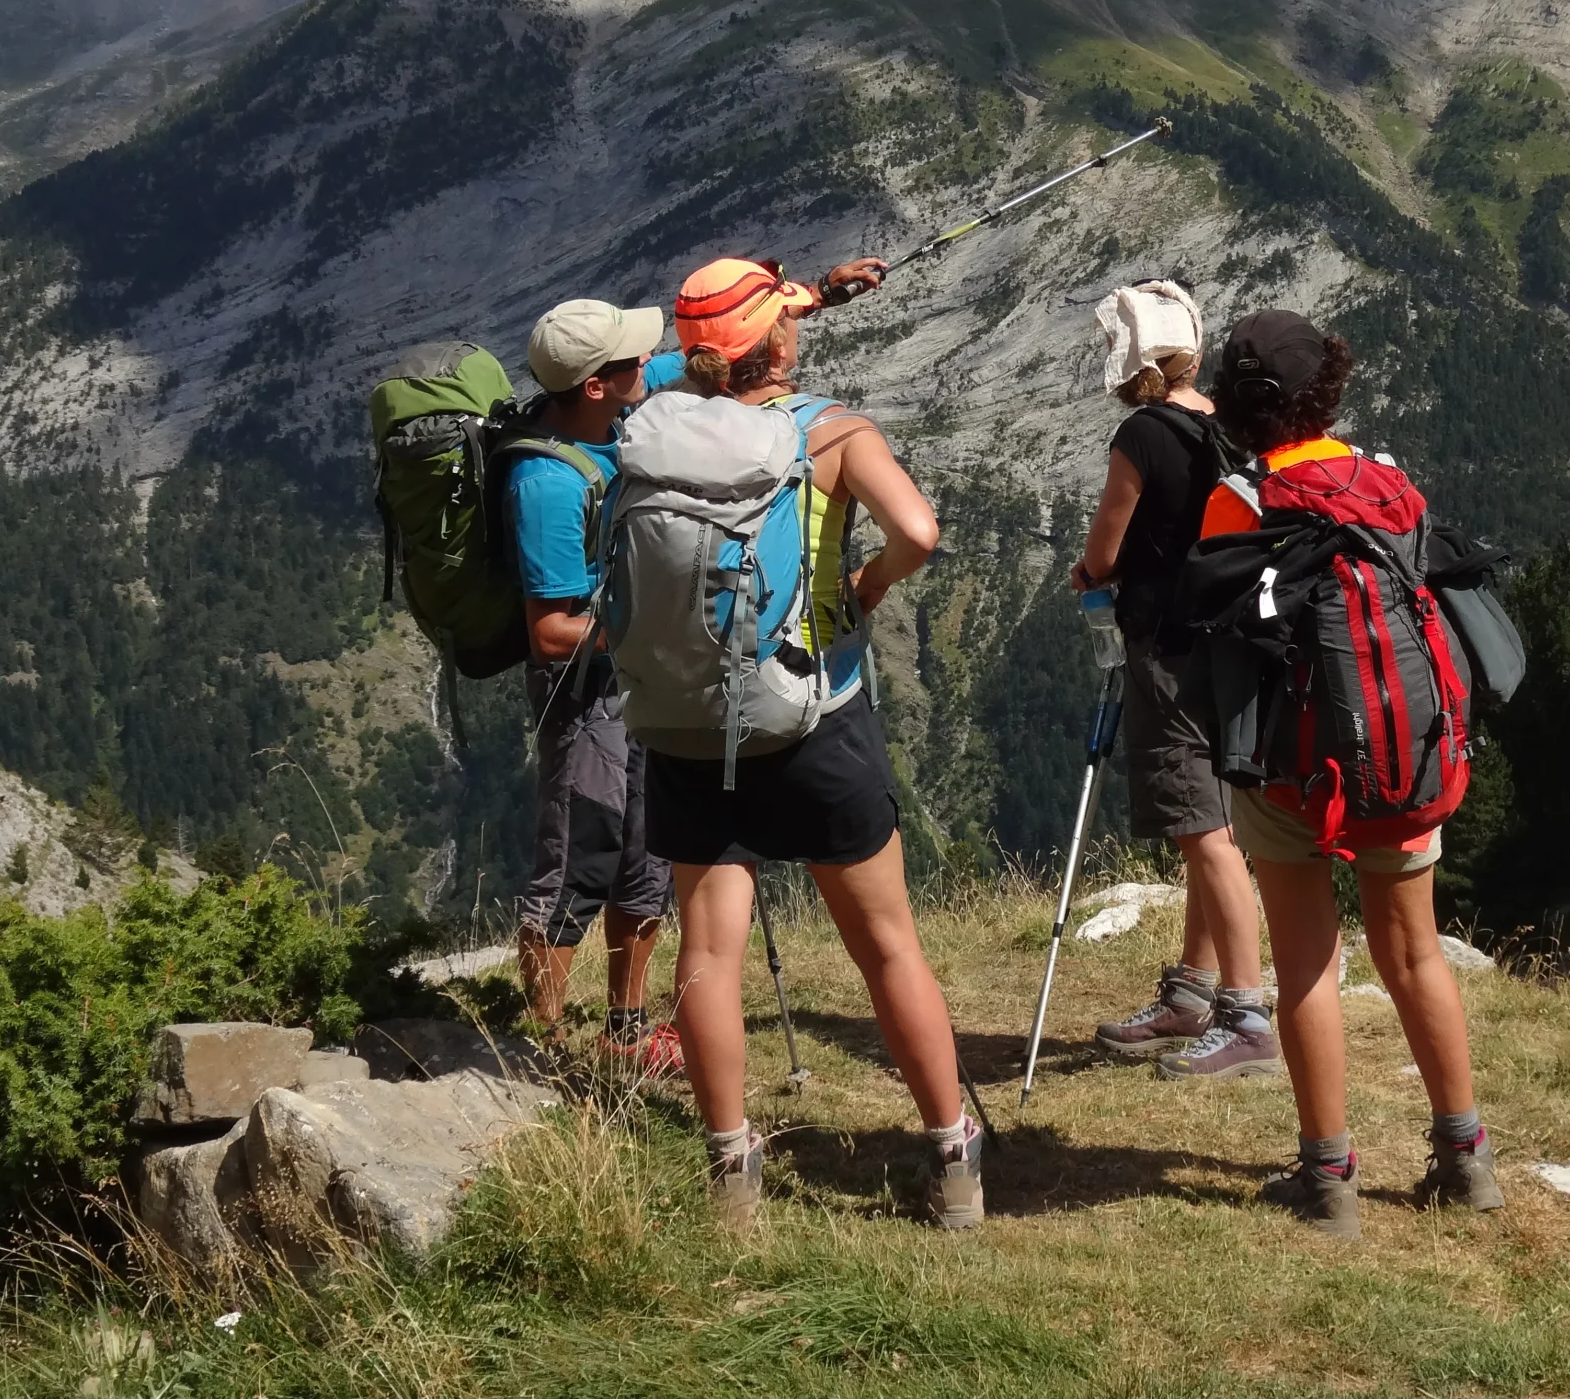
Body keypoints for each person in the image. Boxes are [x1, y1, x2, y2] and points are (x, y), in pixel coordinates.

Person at [643, 255, 984, 1231]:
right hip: (815, 713)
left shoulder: (656, 423)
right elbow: (917, 531)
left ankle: (729, 1172)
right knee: (886, 946)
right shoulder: (830, 434)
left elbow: (697, 360)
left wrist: (793, 303)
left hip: (688, 724)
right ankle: (952, 1157)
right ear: (782, 342)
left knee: (707, 951)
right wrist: (870, 585)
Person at [1197, 308, 1502, 1236]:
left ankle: (1329, 1180)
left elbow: (1214, 629)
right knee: (1415, 953)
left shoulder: (1238, 502)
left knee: (1305, 967)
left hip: (1295, 770)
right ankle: (1466, 1160)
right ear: (1327, 389)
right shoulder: (1390, 482)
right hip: (1406, 756)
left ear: (1241, 410)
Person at [1068, 282, 1272, 1080]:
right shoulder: (1231, 427)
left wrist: (1085, 574)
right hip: (1236, 644)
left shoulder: (1144, 434)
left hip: (1167, 648)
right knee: (1213, 820)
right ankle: (1192, 991)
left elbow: (1107, 551)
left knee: (1202, 829)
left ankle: (1247, 1013)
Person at [509, 299, 688, 1080]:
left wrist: (811, 294)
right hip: (587, 698)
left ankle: (627, 1032)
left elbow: (702, 358)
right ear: (595, 386)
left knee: (648, 857)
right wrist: (647, 629)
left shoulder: (610, 417)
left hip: (641, 683)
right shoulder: (546, 482)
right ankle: (541, 1052)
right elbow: (549, 630)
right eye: (633, 361)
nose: (650, 365)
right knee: (579, 861)